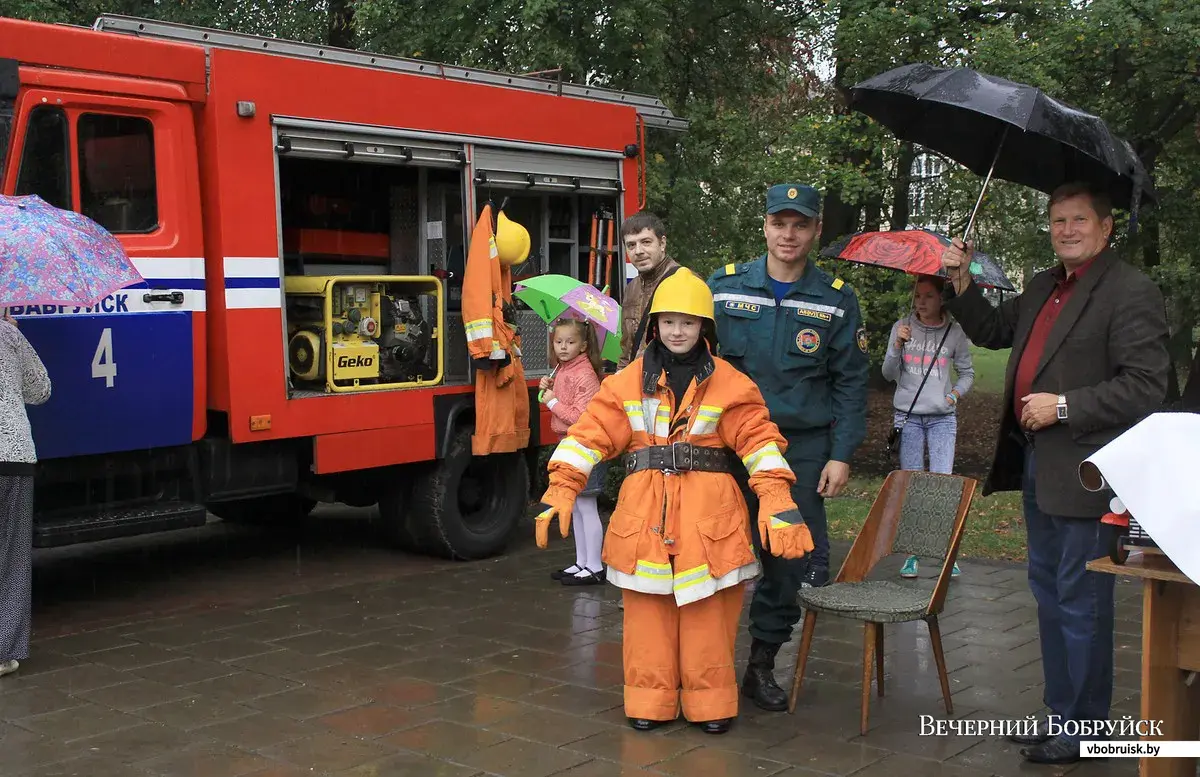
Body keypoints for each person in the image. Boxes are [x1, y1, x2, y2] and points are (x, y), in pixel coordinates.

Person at [940, 181, 1169, 766]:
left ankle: (1086, 727)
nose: (1066, 230)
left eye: (1078, 220)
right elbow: (993, 331)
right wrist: (961, 282)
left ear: (1106, 226)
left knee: (1082, 599)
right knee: (1048, 593)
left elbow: (1147, 386)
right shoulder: (1045, 284)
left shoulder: (1130, 291)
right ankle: (1059, 715)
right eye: (1058, 220)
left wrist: (1064, 405)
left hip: (1090, 472)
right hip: (1040, 466)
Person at [532, 269, 815, 734]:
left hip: (711, 518)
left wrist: (777, 501)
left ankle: (712, 704)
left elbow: (759, 442)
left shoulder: (731, 384)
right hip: (644, 515)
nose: (678, 331)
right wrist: (562, 487)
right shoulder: (624, 383)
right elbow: (590, 436)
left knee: (708, 619)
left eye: (688, 322)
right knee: (648, 617)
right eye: (669, 322)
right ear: (654, 326)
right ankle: (650, 700)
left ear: (705, 328)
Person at [707, 183, 869, 712]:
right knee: (712, 553)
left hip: (799, 450)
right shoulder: (724, 289)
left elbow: (850, 382)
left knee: (786, 557)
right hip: (727, 446)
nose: (789, 234)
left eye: (800, 224)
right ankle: (705, 666)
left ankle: (760, 665)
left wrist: (841, 453)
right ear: (765, 226)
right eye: (780, 223)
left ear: (816, 230)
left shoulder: (837, 300)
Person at [881, 274, 974, 578]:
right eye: (917, 296)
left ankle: (947, 553)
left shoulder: (954, 333)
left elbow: (968, 374)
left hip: (942, 419)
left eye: (928, 296)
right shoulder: (903, 327)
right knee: (912, 485)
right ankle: (912, 554)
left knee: (942, 485)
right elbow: (887, 373)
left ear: (941, 298)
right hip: (907, 417)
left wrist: (953, 396)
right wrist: (897, 344)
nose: (921, 302)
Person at [0, 311, 50, 678]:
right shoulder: (9, 335)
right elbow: (40, 391)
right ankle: (2, 652)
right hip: (12, 456)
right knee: (10, 555)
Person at [540, 317, 607, 585]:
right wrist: (549, 387)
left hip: (586, 446)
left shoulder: (585, 374)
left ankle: (595, 566)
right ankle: (582, 562)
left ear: (583, 345)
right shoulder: (563, 369)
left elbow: (581, 416)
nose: (563, 347)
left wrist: (552, 401)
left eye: (570, 342)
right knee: (577, 506)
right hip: (570, 444)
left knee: (587, 504)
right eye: (558, 342)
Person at [617, 212, 680, 370]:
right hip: (636, 383)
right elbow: (627, 349)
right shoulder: (632, 287)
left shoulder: (683, 282)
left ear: (662, 243)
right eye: (631, 245)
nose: (638, 251)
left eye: (646, 242)